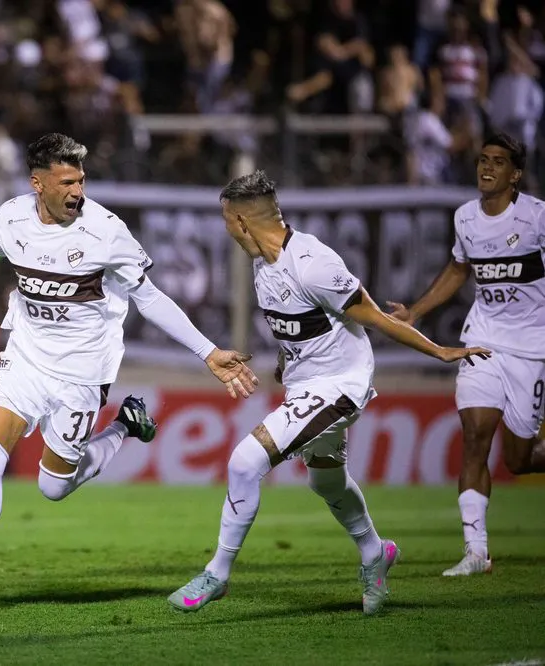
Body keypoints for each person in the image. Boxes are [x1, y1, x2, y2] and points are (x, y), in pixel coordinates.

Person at [0, 133, 259, 618]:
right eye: (67, 181)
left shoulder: (106, 231)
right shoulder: (10, 218)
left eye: (81, 180)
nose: (77, 191)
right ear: (37, 183)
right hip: (25, 358)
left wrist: (208, 351)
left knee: (53, 487)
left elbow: (149, 298)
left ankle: (124, 426)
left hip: (83, 372)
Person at [167, 171, 490, 616]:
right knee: (326, 480)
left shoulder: (314, 262)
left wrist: (438, 351)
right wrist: (286, 364)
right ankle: (375, 551)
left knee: (245, 461)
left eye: (226, 221)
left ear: (241, 222)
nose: (226, 231)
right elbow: (301, 329)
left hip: (341, 387)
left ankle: (217, 573)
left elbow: (375, 316)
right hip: (307, 385)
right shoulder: (263, 265)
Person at [387, 132, 545, 576]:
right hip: (483, 339)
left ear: (515, 175)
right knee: (475, 435)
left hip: (531, 348)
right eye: (482, 160)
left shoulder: (537, 218)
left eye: (498, 162)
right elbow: (460, 268)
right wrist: (415, 312)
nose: (486, 167)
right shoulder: (465, 218)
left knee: (520, 458)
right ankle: (476, 552)